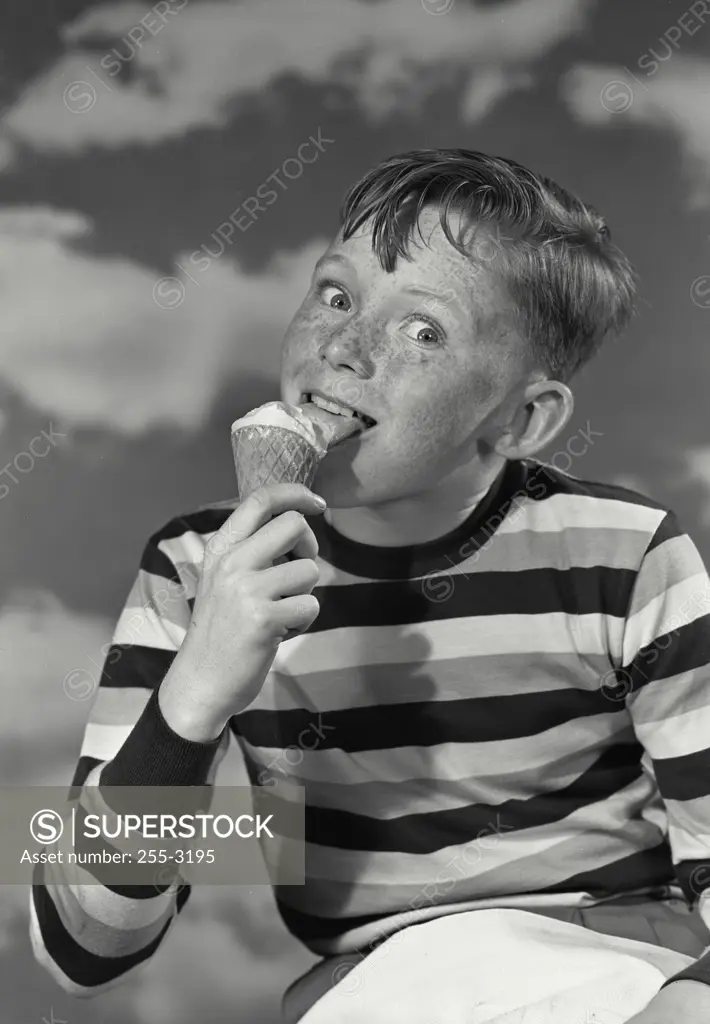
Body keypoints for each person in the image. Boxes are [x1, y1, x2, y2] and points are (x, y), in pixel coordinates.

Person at [30, 149, 710, 1023]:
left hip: (622, 966)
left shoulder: (627, 556)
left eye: (423, 331)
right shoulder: (197, 567)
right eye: (336, 294)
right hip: (378, 987)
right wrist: (192, 699)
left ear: (522, 418)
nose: (343, 349)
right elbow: (78, 949)